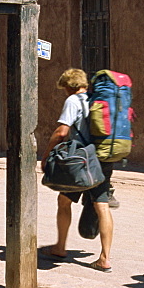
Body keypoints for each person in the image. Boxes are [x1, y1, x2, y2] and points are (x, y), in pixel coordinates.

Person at [40, 68, 114, 272]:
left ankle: (60, 247)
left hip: (81, 161)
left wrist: (47, 154)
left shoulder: (73, 101)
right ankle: (104, 258)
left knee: (64, 201)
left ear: (68, 86)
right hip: (103, 158)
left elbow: (62, 131)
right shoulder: (97, 99)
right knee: (102, 206)